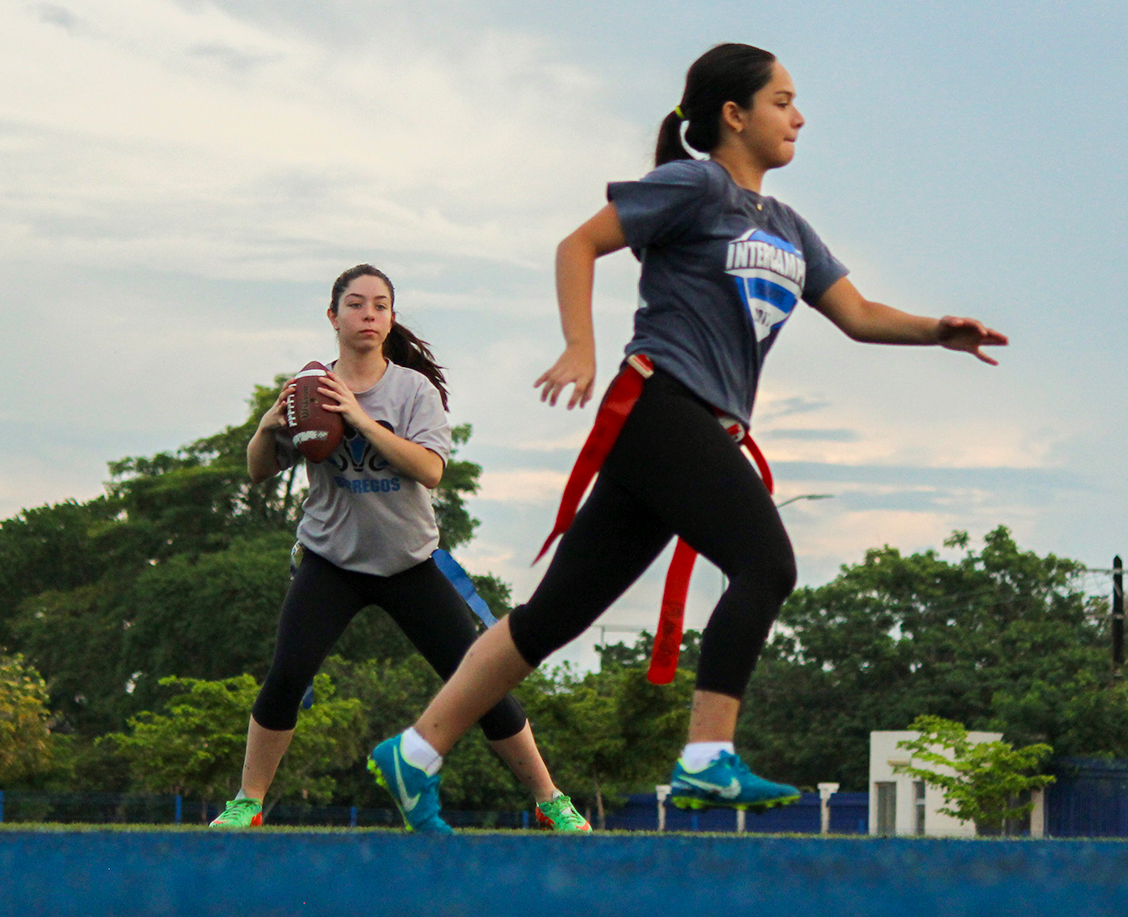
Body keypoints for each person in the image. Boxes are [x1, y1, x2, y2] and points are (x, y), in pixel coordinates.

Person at [369, 43, 1007, 829]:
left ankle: (418, 749)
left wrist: (938, 330)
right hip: (660, 407)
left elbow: (859, 314)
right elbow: (579, 244)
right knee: (766, 563)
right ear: (734, 115)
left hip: (694, 431)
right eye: (783, 100)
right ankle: (707, 757)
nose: (798, 116)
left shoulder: (791, 229)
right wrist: (581, 345)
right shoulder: (695, 185)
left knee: (551, 618)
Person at [209, 263, 589, 833]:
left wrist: (360, 419)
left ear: (391, 319)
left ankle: (548, 798)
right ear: (333, 316)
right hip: (330, 562)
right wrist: (265, 429)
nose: (368, 314)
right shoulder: (309, 389)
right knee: (286, 675)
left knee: (481, 682)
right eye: (356, 304)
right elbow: (259, 472)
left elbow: (430, 471)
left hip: (410, 564)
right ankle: (249, 800)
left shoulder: (413, 390)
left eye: (380, 305)